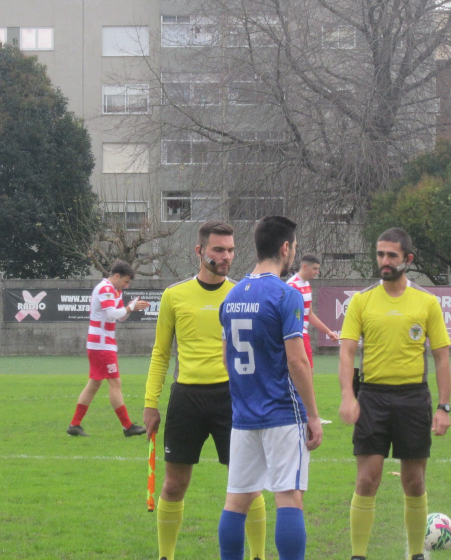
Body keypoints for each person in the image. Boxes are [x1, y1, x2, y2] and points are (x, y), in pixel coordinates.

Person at [143, 221, 268, 560]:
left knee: (248, 484)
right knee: (174, 484)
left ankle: (258, 556)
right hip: (186, 398)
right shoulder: (174, 295)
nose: (226, 256)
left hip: (233, 398)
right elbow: (160, 353)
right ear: (199, 251)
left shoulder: (243, 293)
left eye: (229, 250)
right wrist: (150, 403)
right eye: (218, 249)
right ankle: (165, 556)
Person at [339, 227, 451, 560]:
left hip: (413, 399)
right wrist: (348, 395)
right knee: (367, 480)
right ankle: (358, 555)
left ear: (408, 259)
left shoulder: (427, 302)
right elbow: (346, 352)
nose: (384, 261)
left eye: (391, 255)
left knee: (414, 481)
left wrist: (443, 407)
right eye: (380, 254)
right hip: (372, 398)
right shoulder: (361, 301)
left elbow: (442, 356)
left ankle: (416, 554)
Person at [217, 215, 322, 560]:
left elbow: (225, 359)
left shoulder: (230, 297)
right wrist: (314, 416)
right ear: (286, 248)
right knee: (289, 497)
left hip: (243, 416)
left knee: (236, 500)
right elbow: (297, 362)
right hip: (281, 413)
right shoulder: (285, 295)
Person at [67, 260, 150, 437]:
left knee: (94, 383)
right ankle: (128, 427)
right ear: (117, 276)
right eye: (126, 282)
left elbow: (119, 318)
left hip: (103, 343)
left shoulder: (115, 291)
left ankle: (74, 425)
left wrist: (131, 308)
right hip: (101, 344)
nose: (126, 286)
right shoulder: (105, 289)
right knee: (115, 383)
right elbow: (112, 314)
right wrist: (130, 307)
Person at [286, 253, 341, 370]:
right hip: (297, 336)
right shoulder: (292, 286)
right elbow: (289, 314)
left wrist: (328, 332)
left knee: (306, 373)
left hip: (303, 335)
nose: (317, 272)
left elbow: (309, 314)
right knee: (306, 374)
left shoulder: (306, 285)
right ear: (305, 267)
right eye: (315, 268)